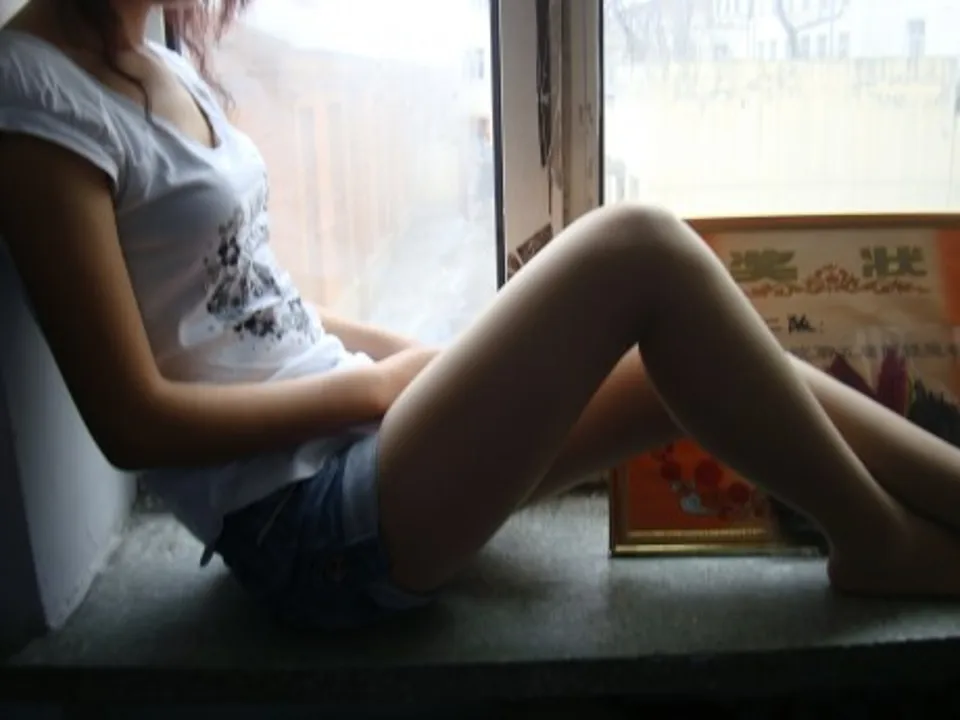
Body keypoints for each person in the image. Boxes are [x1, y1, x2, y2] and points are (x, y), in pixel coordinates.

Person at [1, 0, 959, 632]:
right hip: (309, 530)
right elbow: (131, 422)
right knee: (639, 246)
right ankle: (878, 544)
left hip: (364, 459)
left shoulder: (155, 60)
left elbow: (253, 300)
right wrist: (374, 391)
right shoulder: (36, 94)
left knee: (690, 356)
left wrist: (425, 364)